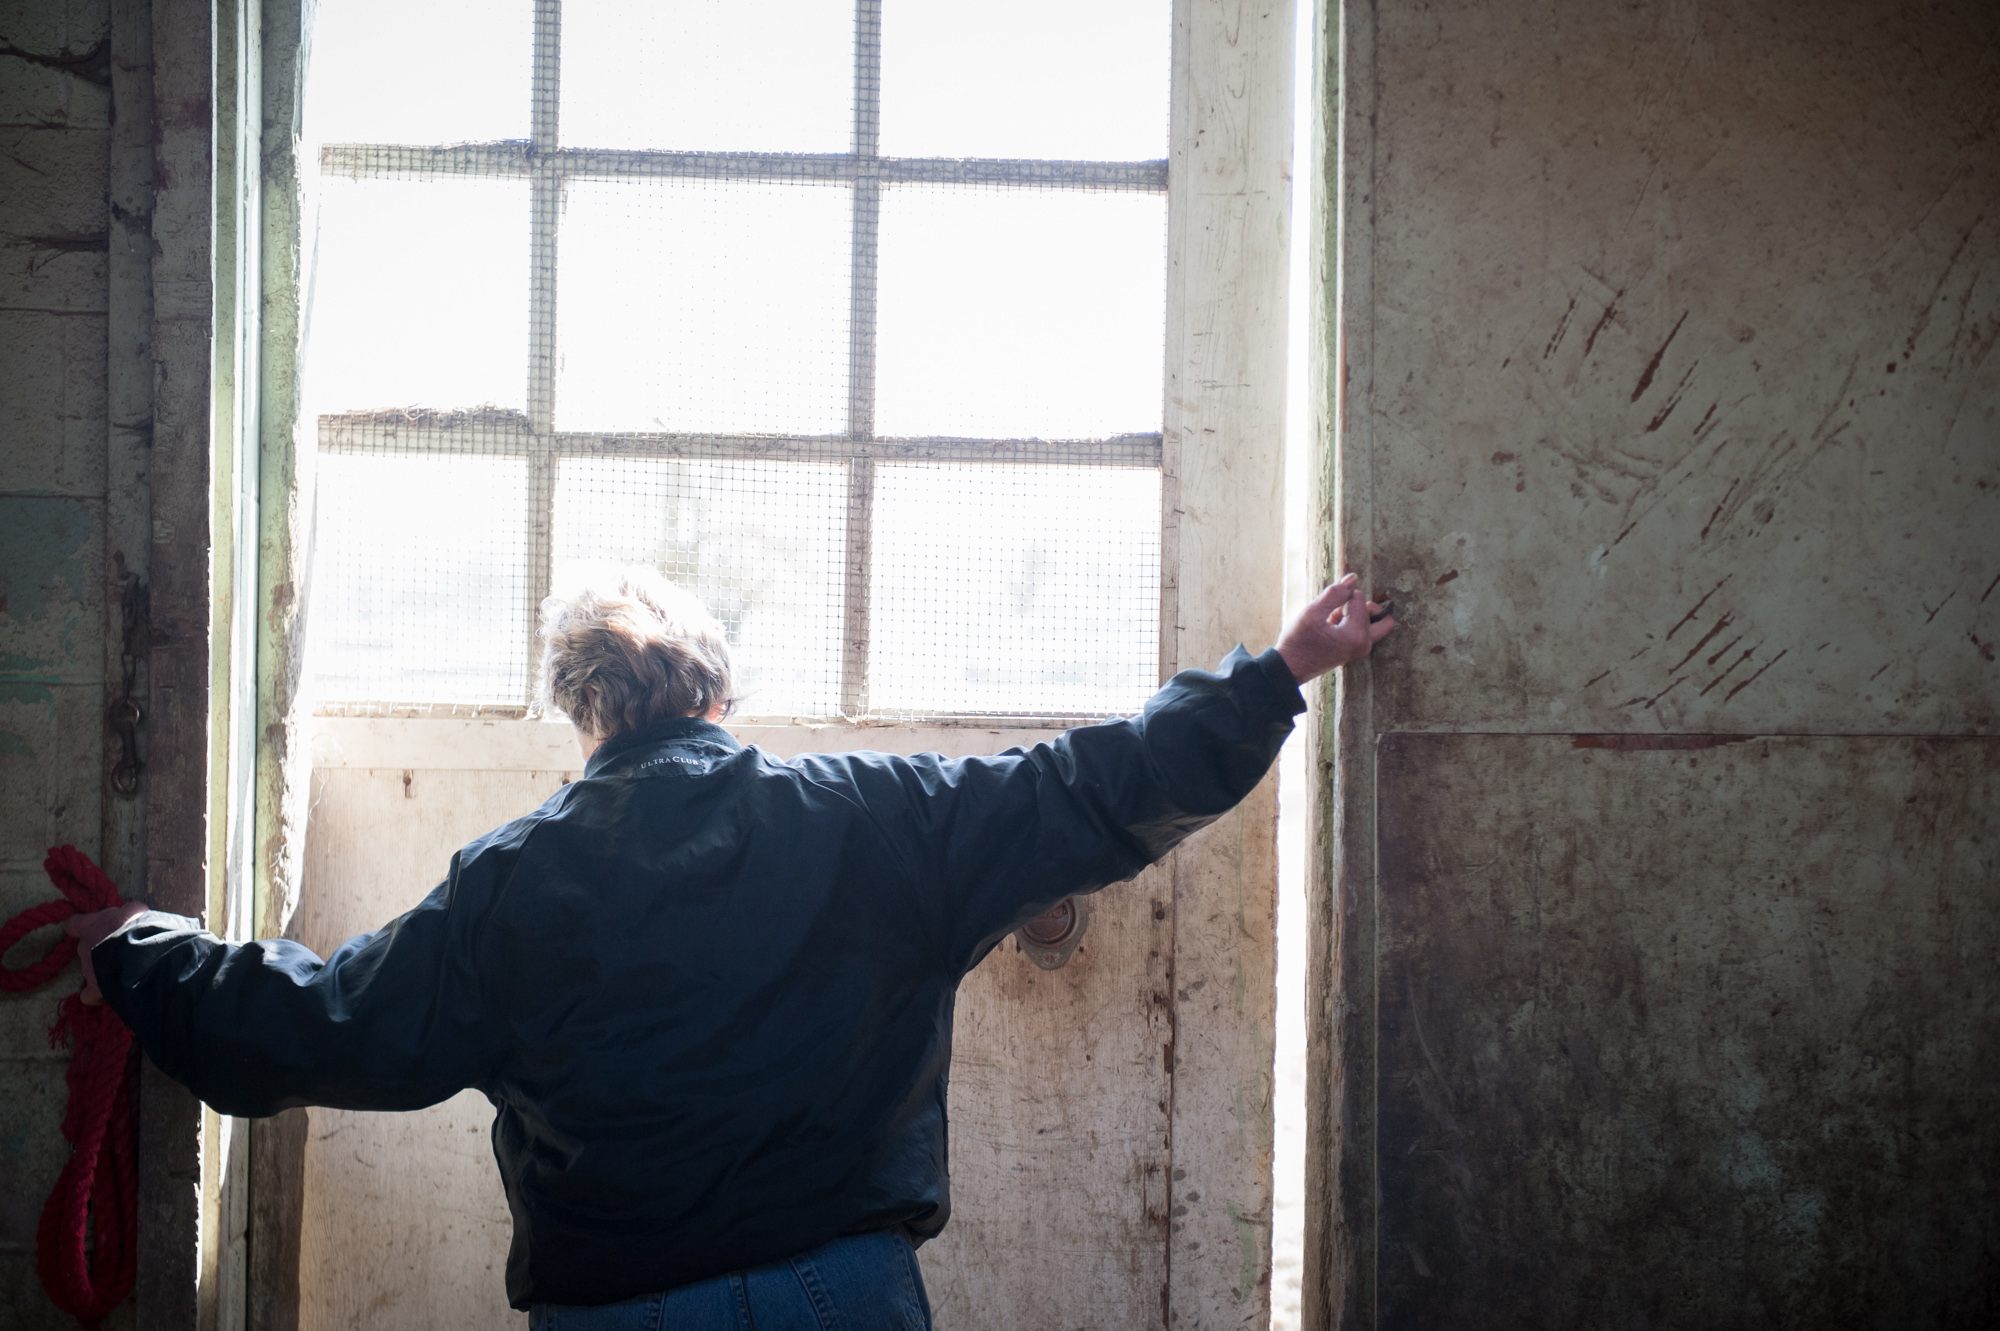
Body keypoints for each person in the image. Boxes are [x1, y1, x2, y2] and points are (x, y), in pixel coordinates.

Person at [67, 568, 1393, 1330]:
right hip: (845, 1291)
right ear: (718, 694)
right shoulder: (881, 821)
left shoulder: (516, 882)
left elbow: (328, 1027)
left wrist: (143, 949)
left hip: (624, 1310)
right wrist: (1278, 671)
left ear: (583, 716)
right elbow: (1092, 789)